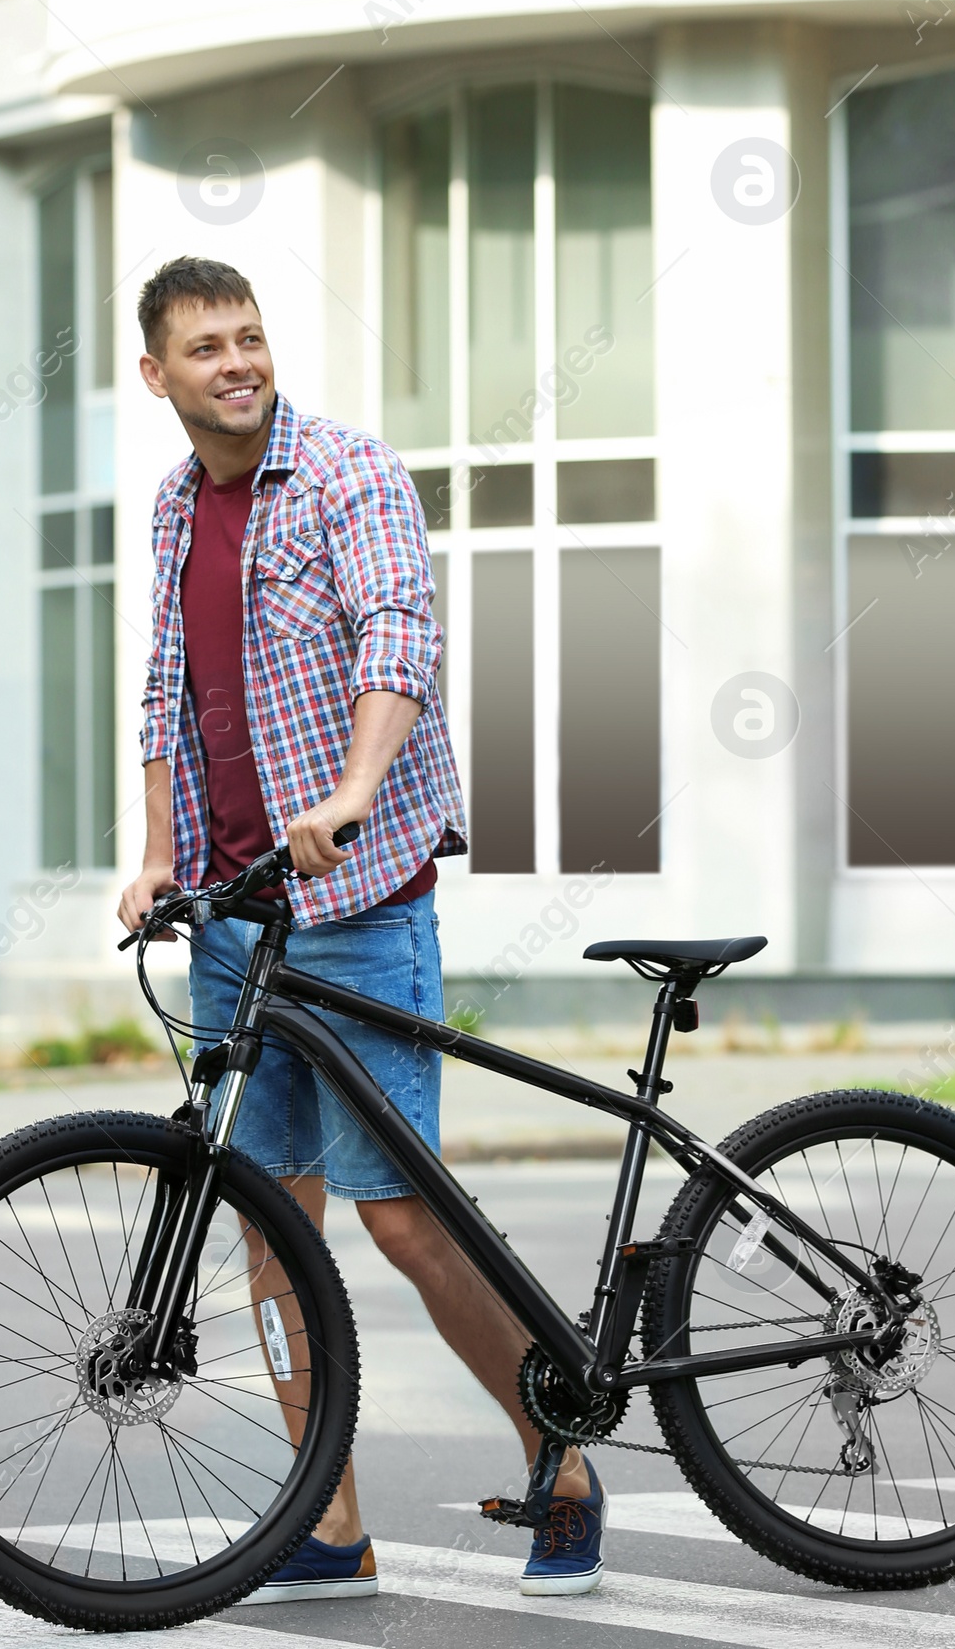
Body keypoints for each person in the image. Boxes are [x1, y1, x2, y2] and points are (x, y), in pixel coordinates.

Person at [116, 254, 605, 1601]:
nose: (237, 360)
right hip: (235, 925)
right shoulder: (171, 509)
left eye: (250, 336)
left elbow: (401, 636)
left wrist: (353, 786)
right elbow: (165, 688)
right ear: (155, 374)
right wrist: (158, 853)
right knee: (271, 1224)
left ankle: (560, 1462)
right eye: (205, 345)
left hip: (354, 905)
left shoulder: (345, 474)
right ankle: (325, 1523)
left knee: (401, 1223)